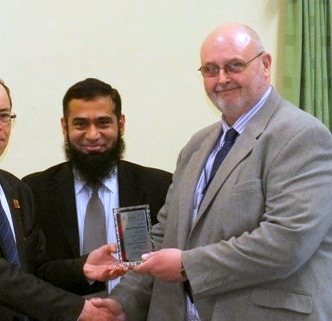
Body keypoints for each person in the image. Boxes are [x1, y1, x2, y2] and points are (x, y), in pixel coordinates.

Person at [102, 23, 332, 321]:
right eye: (210, 70)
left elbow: (287, 241)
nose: (221, 79)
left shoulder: (301, 136)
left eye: (234, 66)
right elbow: (164, 234)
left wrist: (187, 265)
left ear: (265, 64)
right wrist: (123, 302)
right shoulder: (197, 145)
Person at [0, 75, 126, 321]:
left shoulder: (16, 189)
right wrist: (76, 309)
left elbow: (35, 269)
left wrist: (82, 269)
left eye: (4, 115)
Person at [22, 78, 172, 296]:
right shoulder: (34, 191)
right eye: (80, 124)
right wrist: (81, 270)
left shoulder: (159, 187)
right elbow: (32, 272)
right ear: (64, 127)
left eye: (103, 123)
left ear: (121, 124)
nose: (92, 135)